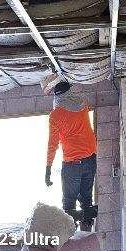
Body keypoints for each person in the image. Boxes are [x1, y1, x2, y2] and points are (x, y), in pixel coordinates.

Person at [42, 73, 98, 231]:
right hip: (90, 160)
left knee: (68, 206)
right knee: (86, 200)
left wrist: (48, 168)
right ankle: (86, 232)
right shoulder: (82, 104)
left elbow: (52, 144)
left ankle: (71, 237)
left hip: (72, 165)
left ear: (56, 95)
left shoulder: (55, 116)